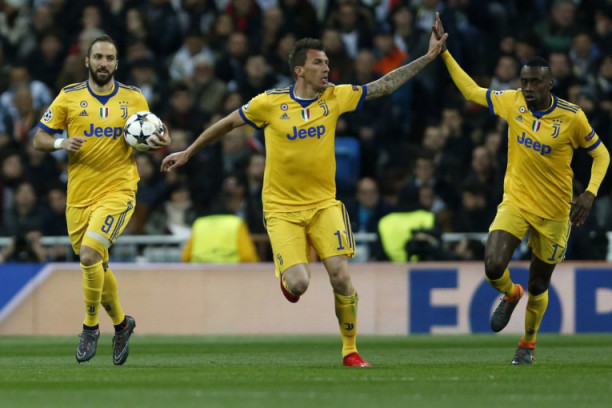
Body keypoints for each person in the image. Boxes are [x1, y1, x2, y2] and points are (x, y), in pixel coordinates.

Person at [161, 33, 448, 367]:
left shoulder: (336, 97)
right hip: (281, 209)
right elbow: (226, 124)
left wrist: (427, 57)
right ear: (299, 70)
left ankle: (350, 351)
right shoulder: (269, 103)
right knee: (299, 283)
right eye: (318, 62)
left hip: (324, 205)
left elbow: (383, 85)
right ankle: (291, 283)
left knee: (340, 276)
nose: (326, 68)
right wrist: (188, 151)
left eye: (327, 62)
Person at [434, 13, 610, 365]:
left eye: (535, 83)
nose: (527, 88)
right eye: (524, 81)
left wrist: (590, 192)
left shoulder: (571, 117)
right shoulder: (512, 101)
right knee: (493, 265)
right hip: (516, 202)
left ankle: (527, 344)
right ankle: (510, 293)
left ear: (550, 84)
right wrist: (445, 53)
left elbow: (601, 154)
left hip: (556, 212)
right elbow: (471, 91)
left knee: (539, 285)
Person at [33, 35, 171, 365]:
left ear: (117, 63)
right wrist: (60, 144)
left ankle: (90, 327)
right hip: (78, 197)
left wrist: (161, 141)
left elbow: (151, 133)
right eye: (98, 57)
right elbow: (39, 138)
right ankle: (122, 325)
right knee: (97, 265)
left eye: (110, 58)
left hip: (118, 190)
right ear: (87, 61)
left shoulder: (134, 97)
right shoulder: (69, 96)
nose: (104, 63)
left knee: (89, 255)